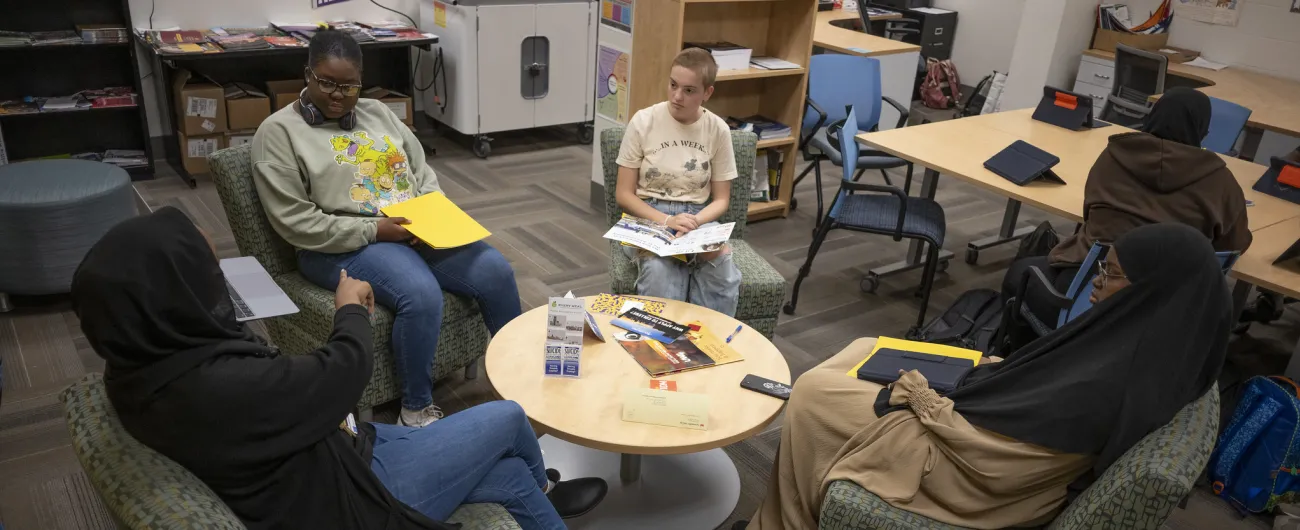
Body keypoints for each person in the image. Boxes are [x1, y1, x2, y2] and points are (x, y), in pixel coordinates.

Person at [71, 207, 607, 530]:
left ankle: (538, 493)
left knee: (510, 476)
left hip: (341, 451)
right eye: (207, 274)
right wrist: (349, 309)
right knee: (509, 416)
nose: (218, 283)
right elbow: (342, 373)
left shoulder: (146, 363)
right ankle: (546, 487)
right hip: (355, 495)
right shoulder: (219, 388)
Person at [739, 223, 1230, 530]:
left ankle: (787, 522)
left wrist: (931, 402)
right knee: (868, 347)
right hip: (984, 421)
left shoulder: (1110, 379)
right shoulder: (1152, 345)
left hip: (968, 465)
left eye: (1112, 275)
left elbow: (999, 458)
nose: (1097, 285)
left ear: (1150, 290)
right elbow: (1039, 384)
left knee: (812, 392)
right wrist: (979, 375)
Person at [252, 29, 521, 427]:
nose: (337, 95)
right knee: (420, 293)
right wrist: (377, 230)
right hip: (339, 246)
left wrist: (430, 210)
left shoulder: (378, 113)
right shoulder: (277, 134)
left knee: (496, 271)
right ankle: (414, 409)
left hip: (413, 227)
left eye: (349, 86)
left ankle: (521, 379)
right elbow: (297, 223)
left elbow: (422, 172)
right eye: (326, 82)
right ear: (307, 74)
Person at [1002, 87, 1250, 343]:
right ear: (1203, 132)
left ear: (1151, 116)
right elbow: (1234, 245)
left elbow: (1089, 215)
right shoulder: (1222, 182)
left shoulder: (1114, 156)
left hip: (1086, 291)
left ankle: (1017, 360)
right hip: (1165, 310)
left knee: (1020, 273)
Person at [614, 47, 742, 316]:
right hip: (649, 214)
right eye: (673, 85)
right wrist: (666, 221)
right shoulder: (644, 121)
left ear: (707, 93)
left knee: (722, 270)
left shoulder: (717, 129)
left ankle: (707, 343)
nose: (676, 96)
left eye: (688, 90)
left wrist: (693, 222)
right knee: (661, 274)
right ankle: (657, 348)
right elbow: (624, 194)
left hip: (696, 216)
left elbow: (721, 199)